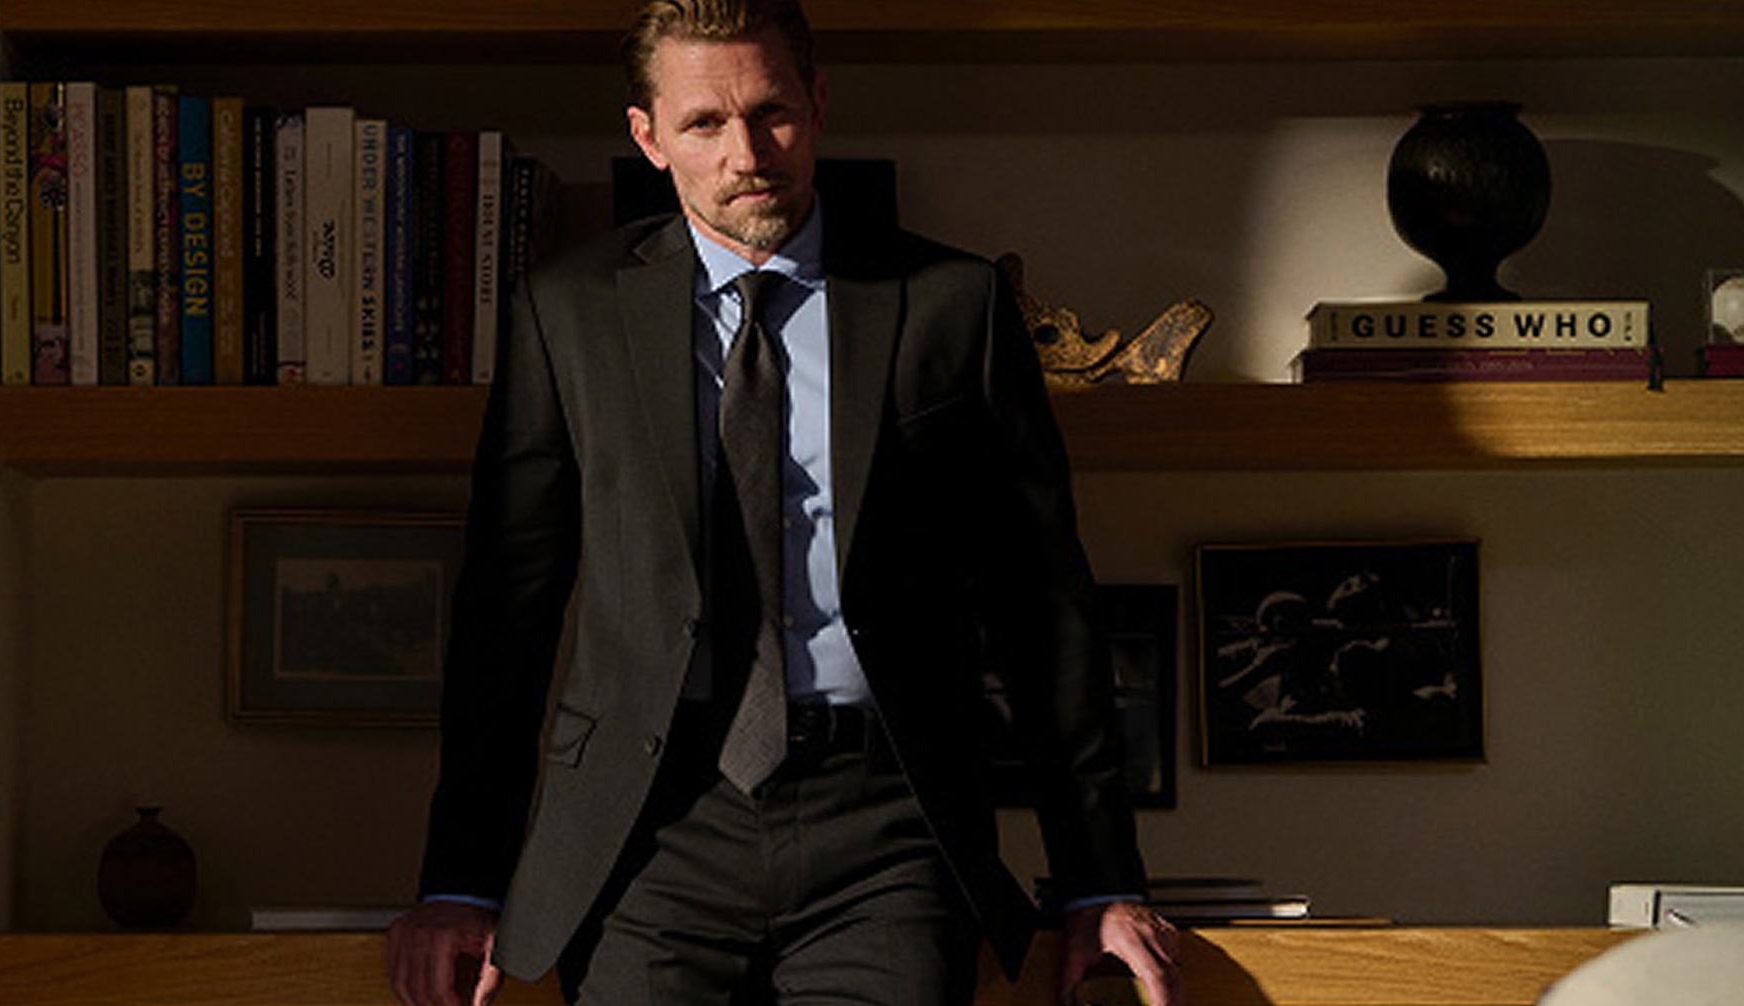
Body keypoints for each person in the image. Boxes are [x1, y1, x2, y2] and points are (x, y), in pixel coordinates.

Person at [383, 1, 1180, 1004]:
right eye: (706, 124)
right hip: (649, 824)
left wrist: (1098, 877)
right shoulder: (567, 313)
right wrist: (460, 878)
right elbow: (509, 611)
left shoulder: (950, 304)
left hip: (885, 823)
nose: (747, 153)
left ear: (818, 104)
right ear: (650, 137)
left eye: (773, 114)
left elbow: (1043, 606)